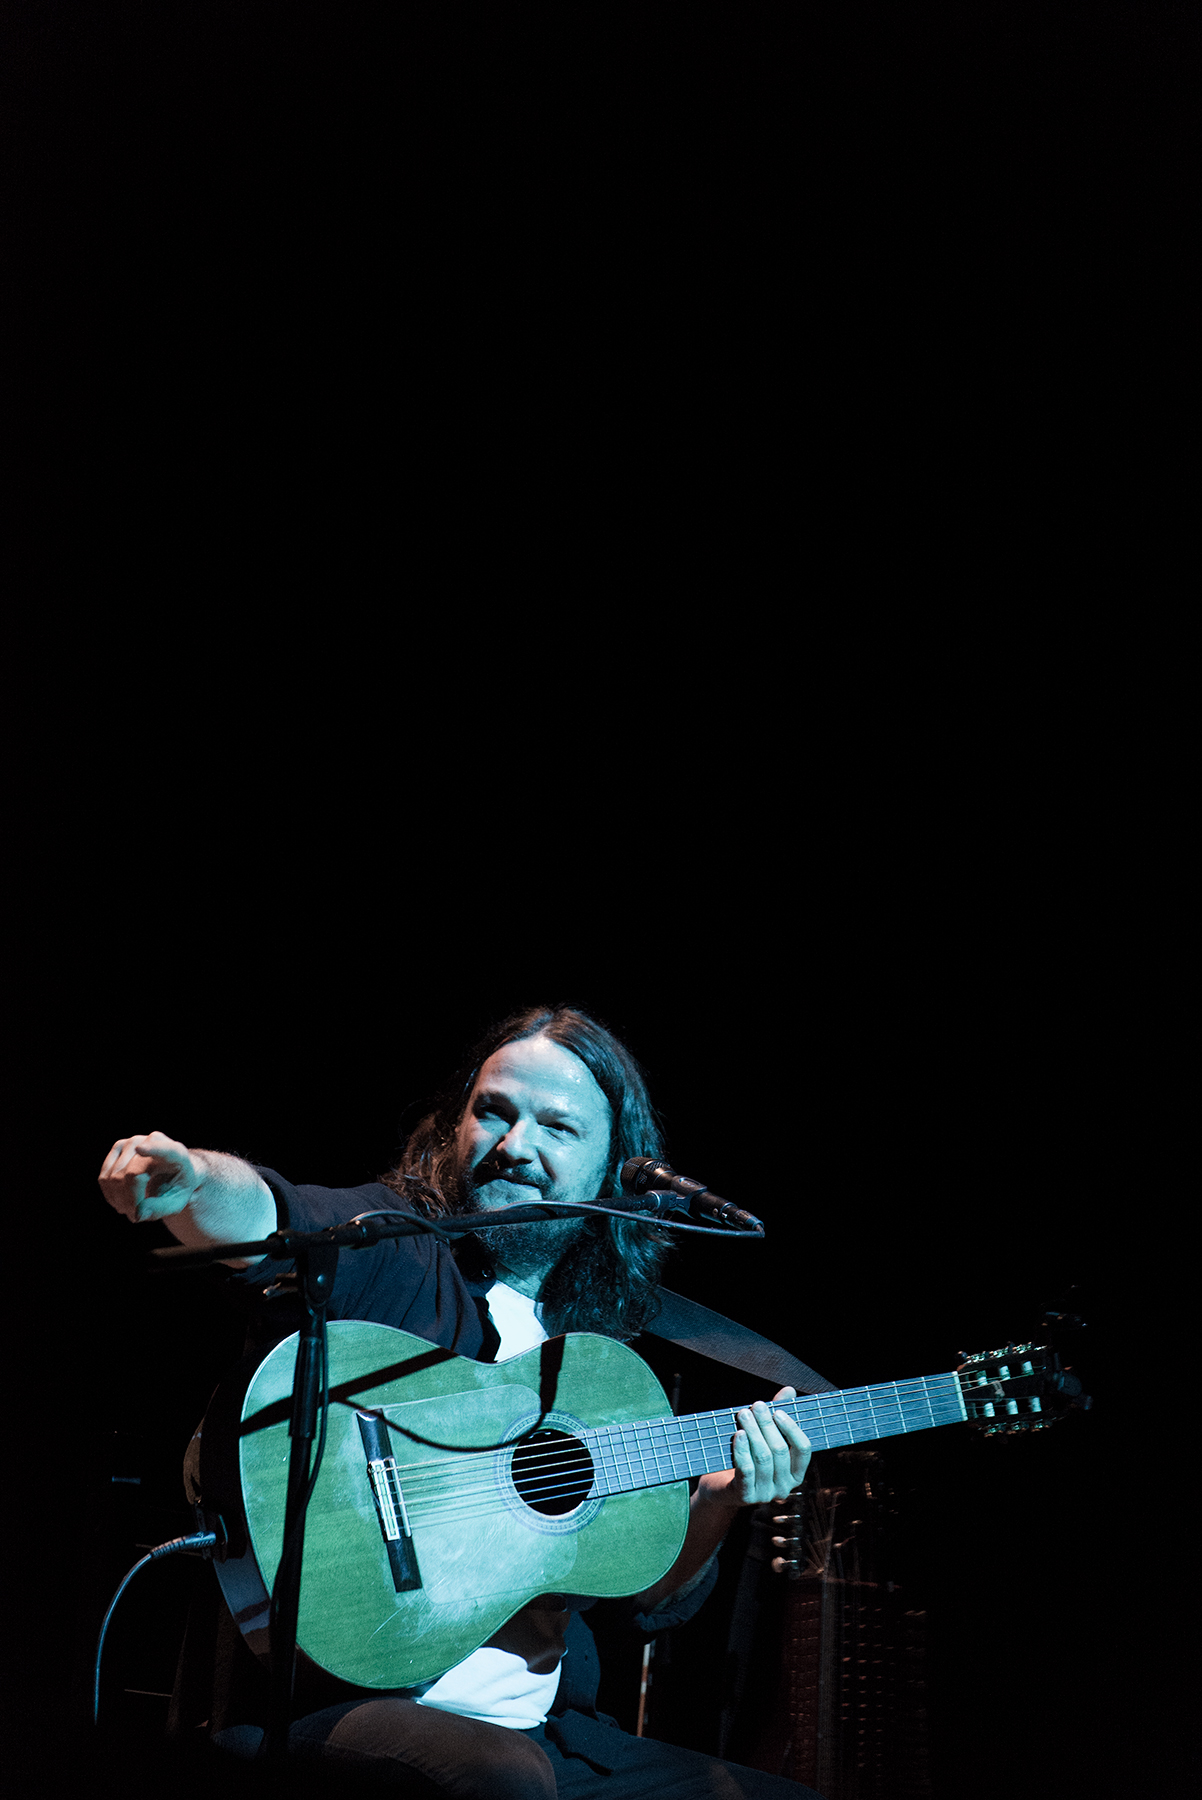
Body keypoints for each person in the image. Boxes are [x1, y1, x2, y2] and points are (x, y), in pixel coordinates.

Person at [99, 1005, 823, 1799]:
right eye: (495, 1112)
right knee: (498, 1782)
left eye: (558, 1127)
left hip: (548, 1740)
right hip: (336, 1707)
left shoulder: (598, 1352)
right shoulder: (393, 1249)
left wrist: (719, 1501)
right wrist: (195, 1180)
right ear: (455, 1124)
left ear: (617, 1164)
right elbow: (273, 1217)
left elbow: (634, 1605)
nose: (517, 1147)